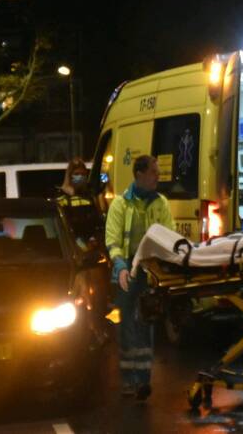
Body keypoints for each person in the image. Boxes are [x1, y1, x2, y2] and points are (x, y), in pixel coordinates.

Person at [105, 154, 175, 401]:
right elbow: (113, 241)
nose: (158, 176)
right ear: (139, 175)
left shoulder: (160, 203)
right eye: (154, 172)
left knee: (146, 322)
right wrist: (122, 267)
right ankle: (128, 379)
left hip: (148, 272)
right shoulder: (120, 205)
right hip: (127, 272)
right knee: (126, 325)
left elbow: (169, 236)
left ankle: (143, 380)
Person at [57, 158, 102, 247]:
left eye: (83, 174)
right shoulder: (63, 199)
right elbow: (63, 226)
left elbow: (95, 222)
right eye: (76, 174)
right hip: (72, 245)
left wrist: (93, 238)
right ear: (69, 176)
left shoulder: (89, 197)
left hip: (91, 245)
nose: (80, 177)